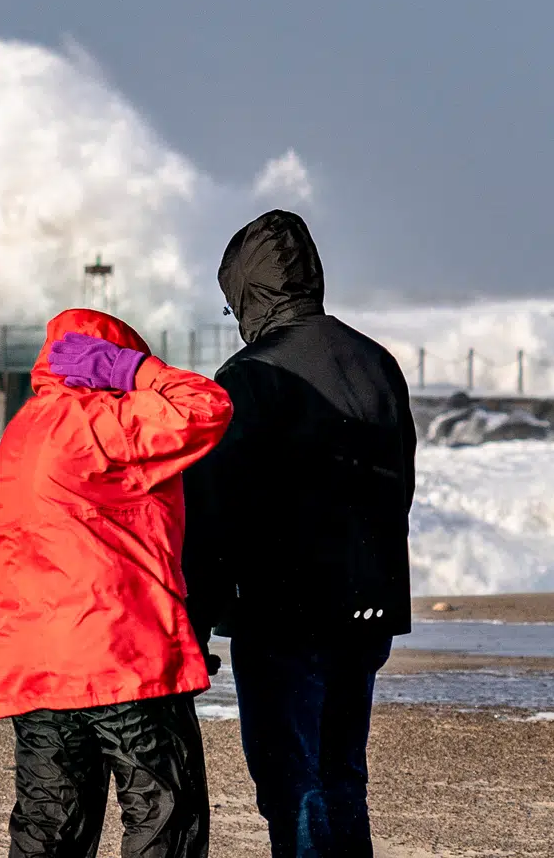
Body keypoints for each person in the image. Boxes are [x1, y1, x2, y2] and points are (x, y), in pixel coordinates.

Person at [183, 210, 417, 858]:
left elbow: (212, 519)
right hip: (367, 609)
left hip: (284, 615)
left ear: (245, 291)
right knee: (343, 775)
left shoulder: (252, 377)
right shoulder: (377, 362)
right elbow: (402, 487)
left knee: (295, 787)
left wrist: (192, 624)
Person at [0, 307, 233, 858]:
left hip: (38, 667)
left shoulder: (19, 433)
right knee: (164, 822)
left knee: (49, 832)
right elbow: (207, 405)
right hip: (124, 657)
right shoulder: (104, 421)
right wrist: (135, 369)